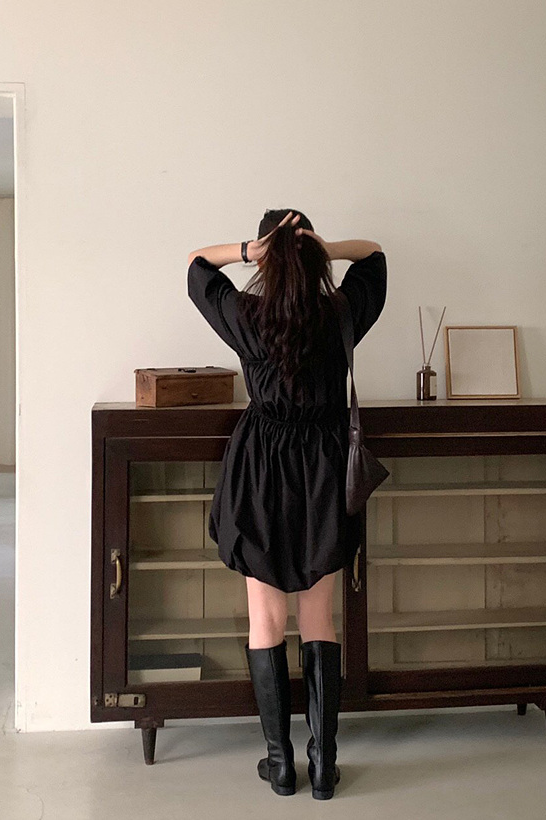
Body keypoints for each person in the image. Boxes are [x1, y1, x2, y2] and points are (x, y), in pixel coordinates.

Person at [186, 208, 387, 799]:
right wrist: (326, 247)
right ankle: (323, 766)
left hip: (261, 473)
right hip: (323, 471)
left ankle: (280, 765)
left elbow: (196, 266)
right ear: (313, 252)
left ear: (267, 256)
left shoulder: (247, 316)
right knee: (318, 619)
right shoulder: (339, 313)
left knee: (265, 621)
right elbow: (374, 255)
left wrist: (248, 252)